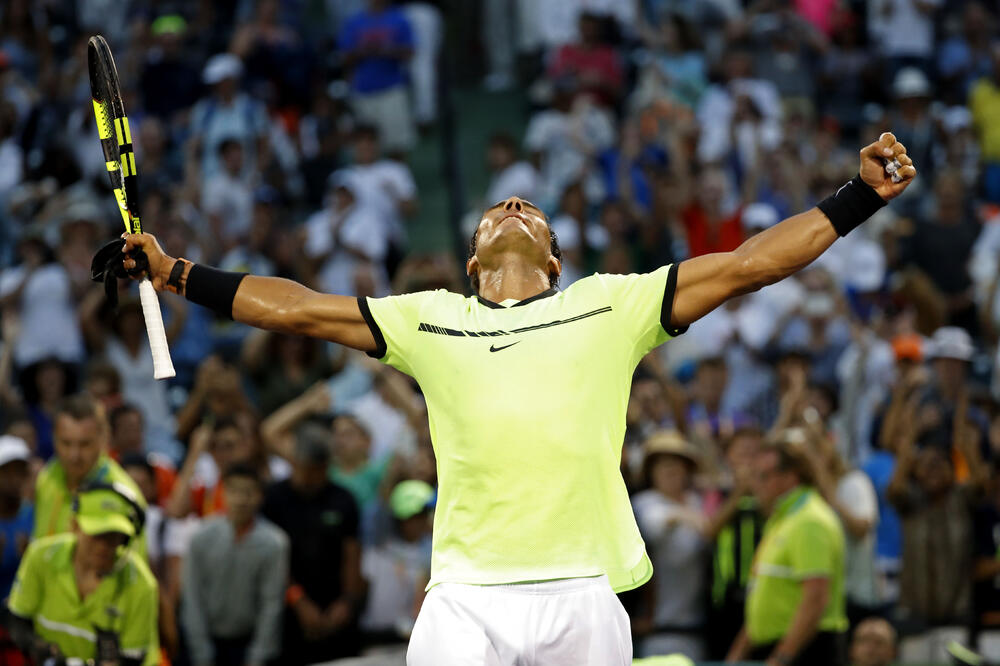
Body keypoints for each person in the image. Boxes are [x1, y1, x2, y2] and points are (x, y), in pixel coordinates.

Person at [122, 132, 916, 664]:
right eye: (496, 210)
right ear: (472, 262)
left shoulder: (612, 304)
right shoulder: (429, 318)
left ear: (557, 260)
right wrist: (174, 273)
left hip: (582, 590)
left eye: (529, 209)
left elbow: (749, 265)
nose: (511, 207)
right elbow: (297, 309)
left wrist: (859, 196)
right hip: (464, 597)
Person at [5, 479, 159, 665]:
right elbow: (18, 620)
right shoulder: (40, 557)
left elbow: (133, 658)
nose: (104, 545)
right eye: (96, 534)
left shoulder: (141, 585)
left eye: (113, 535)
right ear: (74, 525)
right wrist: (37, 647)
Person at [726, 433, 848, 666]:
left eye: (763, 476)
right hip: (782, 650)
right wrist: (738, 654)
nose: (756, 484)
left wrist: (781, 657)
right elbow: (764, 593)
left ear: (790, 476)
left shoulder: (809, 521)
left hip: (807, 653)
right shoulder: (783, 518)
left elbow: (816, 599)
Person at [261, 424, 364, 664]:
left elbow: (352, 554)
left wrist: (347, 601)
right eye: (307, 468)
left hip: (335, 605)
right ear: (294, 462)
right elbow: (271, 559)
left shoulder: (343, 499)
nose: (313, 476)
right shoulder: (274, 498)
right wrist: (298, 600)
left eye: (320, 469)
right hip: (287, 608)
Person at [181, 462, 288, 666]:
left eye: (248, 492)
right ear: (223, 493)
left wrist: (258, 656)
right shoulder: (202, 537)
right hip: (206, 642)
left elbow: (271, 603)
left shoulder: (274, 543)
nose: (240, 499)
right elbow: (193, 596)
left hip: (249, 644)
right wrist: (201, 652)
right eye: (234, 491)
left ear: (260, 496)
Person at [630, 430, 707, 660]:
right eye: (662, 464)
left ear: (687, 470)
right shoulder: (643, 504)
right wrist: (685, 517)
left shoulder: (697, 502)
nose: (670, 470)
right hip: (659, 634)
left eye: (676, 463)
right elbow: (654, 525)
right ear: (651, 472)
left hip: (697, 633)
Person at [32, 395, 146, 550]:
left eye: (84, 444)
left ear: (104, 438)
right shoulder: (47, 477)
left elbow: (131, 562)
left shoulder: (124, 496)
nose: (74, 455)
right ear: (53, 438)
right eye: (66, 443)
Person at [0, 435, 31, 600]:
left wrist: (30, 557)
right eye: (6, 471)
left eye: (19, 471)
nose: (14, 478)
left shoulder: (36, 514)